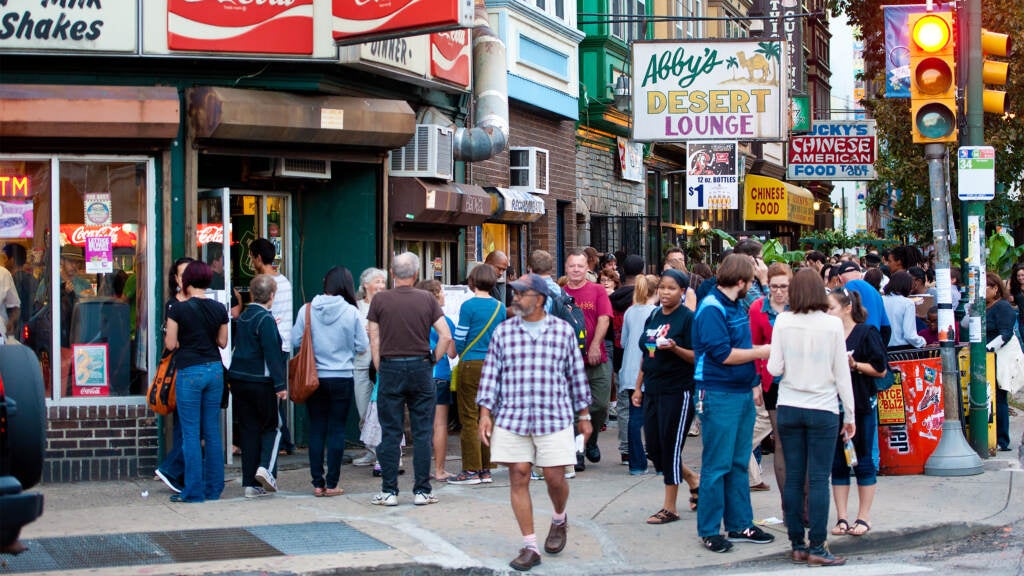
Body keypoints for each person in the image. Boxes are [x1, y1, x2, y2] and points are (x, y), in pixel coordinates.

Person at [476, 273, 592, 572]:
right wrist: (485, 414)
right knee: (519, 474)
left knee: (555, 478)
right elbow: (491, 375)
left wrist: (585, 415)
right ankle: (530, 546)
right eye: (514, 293)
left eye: (521, 293)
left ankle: (558, 517)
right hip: (512, 417)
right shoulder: (504, 332)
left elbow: (576, 376)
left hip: (553, 416)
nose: (514, 298)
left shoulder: (562, 332)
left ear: (539, 299)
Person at [767, 269, 855, 566]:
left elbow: (774, 369)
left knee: (793, 476)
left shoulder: (782, 321)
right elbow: (842, 374)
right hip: (824, 408)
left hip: (789, 406)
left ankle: (797, 543)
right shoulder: (832, 325)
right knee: (818, 478)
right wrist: (850, 413)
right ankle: (817, 545)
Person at [692, 254, 774, 553]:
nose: (751, 286)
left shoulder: (734, 304)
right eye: (751, 281)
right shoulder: (712, 308)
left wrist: (753, 383)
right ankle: (710, 530)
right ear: (741, 282)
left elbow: (741, 344)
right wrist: (762, 352)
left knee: (738, 462)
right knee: (718, 465)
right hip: (718, 392)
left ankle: (740, 525)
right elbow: (724, 354)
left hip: (738, 391)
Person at [367, 252, 452, 506]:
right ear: (415, 275)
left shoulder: (380, 300)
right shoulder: (427, 299)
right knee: (422, 430)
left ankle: (390, 491)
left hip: (391, 366)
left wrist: (381, 365)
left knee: (391, 432)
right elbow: (445, 335)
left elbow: (374, 337)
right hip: (420, 367)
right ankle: (422, 491)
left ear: (392, 274)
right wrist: (432, 360)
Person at [632, 269, 700, 524]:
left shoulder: (688, 319)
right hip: (652, 388)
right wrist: (638, 387)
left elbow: (697, 356)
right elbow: (646, 352)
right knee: (655, 450)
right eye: (662, 287)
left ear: (682, 292)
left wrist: (675, 348)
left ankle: (669, 507)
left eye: (671, 288)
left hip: (678, 390)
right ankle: (693, 479)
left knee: (671, 448)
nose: (665, 292)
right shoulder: (654, 315)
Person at [293, 266, 367, 496]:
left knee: (317, 429)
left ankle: (317, 483)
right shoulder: (351, 312)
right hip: (342, 376)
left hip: (313, 377)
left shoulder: (307, 310)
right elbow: (362, 346)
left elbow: (296, 340)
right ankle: (333, 484)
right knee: (336, 430)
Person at [163, 261, 229, 503]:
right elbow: (222, 342)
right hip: (214, 370)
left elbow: (170, 344)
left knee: (190, 433)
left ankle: (193, 491)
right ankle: (214, 489)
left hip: (189, 371)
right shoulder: (219, 308)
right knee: (212, 431)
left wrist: (185, 342)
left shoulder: (178, 309)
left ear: (187, 281)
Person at [827, 287, 887, 538]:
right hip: (832, 405)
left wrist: (855, 365)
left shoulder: (865, 333)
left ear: (847, 308)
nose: (827, 312)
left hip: (861, 403)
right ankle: (841, 516)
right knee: (838, 463)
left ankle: (864, 516)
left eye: (831, 307)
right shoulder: (827, 334)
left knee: (863, 460)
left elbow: (880, 369)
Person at [228, 274, 287, 498]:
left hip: (239, 380)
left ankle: (250, 484)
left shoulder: (242, 317)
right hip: (261, 381)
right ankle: (266, 470)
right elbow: (272, 353)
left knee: (248, 430)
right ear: (271, 296)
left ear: (252, 294)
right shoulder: (266, 320)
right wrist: (280, 384)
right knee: (273, 427)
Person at [450, 264, 506, 485]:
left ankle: (471, 469)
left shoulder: (468, 306)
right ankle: (486, 467)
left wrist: (463, 353)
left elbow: (461, 337)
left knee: (469, 416)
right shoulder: (500, 307)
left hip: (471, 363)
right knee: (487, 414)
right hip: (493, 364)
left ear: (472, 282)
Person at [563, 248, 614, 470]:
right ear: (566, 268)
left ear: (587, 268)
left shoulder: (597, 291)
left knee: (600, 405)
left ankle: (591, 440)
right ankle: (578, 451)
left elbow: (604, 319)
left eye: (580, 266)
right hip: (569, 363)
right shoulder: (559, 294)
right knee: (574, 410)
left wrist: (594, 346)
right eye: (572, 266)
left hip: (597, 358)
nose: (576, 270)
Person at [748, 262, 792, 496]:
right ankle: (788, 506)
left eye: (783, 286)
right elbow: (753, 346)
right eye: (774, 286)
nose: (778, 291)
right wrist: (756, 383)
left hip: (800, 381)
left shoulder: (799, 307)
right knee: (781, 442)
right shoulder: (758, 308)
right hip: (772, 382)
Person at [249, 238, 295, 455]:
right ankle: (284, 439)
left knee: (271, 395)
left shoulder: (261, 284)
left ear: (258, 258)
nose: (251, 261)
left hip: (270, 344)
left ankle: (282, 440)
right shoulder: (285, 281)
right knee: (277, 393)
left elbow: (260, 315)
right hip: (284, 343)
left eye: (251, 256)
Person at [154, 257, 195, 495]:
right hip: (181, 370)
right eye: (182, 274)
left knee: (189, 425)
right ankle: (171, 469)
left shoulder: (199, 300)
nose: (187, 277)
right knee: (188, 425)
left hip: (192, 367)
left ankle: (179, 472)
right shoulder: (174, 305)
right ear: (176, 279)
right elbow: (171, 342)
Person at [415, 280, 457, 482]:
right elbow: (451, 352)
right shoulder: (445, 320)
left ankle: (421, 470)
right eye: (442, 292)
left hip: (419, 373)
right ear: (435, 295)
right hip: (440, 374)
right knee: (439, 425)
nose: (444, 296)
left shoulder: (414, 319)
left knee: (421, 424)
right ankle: (439, 469)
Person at [619, 273, 657, 475]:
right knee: (656, 419)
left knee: (634, 418)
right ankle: (659, 460)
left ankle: (636, 463)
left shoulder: (630, 312)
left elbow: (624, 342)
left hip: (629, 370)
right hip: (650, 371)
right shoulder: (658, 312)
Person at [610, 255, 645, 464]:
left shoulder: (612, 298)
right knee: (645, 407)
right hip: (641, 359)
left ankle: (626, 449)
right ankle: (647, 447)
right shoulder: (642, 303)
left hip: (619, 357)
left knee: (624, 406)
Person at [353, 267, 388, 468]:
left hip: (382, 365)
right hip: (360, 363)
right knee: (363, 410)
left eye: (383, 282)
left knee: (382, 410)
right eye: (377, 281)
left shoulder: (388, 305)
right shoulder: (356, 307)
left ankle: (382, 454)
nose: (381, 286)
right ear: (365, 284)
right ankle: (370, 449)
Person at [985, 273, 1017, 452]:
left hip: (998, 357)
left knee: (999, 397)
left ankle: (1002, 439)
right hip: (987, 357)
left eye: (985, 287)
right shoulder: (983, 306)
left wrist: (988, 349)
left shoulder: (1003, 307)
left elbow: (1005, 333)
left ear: (995, 289)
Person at [835, 261, 892, 344]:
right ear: (861, 276)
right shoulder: (875, 292)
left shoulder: (847, 289)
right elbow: (886, 327)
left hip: (859, 341)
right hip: (876, 339)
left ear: (839, 278)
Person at [882, 271, 926, 350]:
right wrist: (922, 342)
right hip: (902, 349)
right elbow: (909, 335)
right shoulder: (908, 303)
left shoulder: (880, 300)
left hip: (883, 348)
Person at [1008, 263, 1024, 331]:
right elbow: (1014, 305)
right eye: (1018, 276)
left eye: (1023, 275)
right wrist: (1011, 301)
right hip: (1022, 320)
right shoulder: (1015, 289)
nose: (1020, 278)